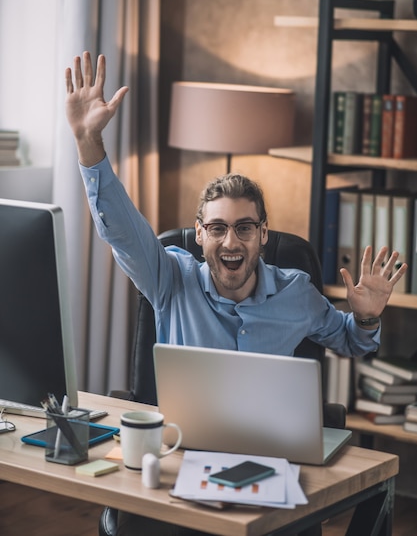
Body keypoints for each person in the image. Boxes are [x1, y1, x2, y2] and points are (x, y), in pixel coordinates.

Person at [65, 52, 406, 536]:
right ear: (199, 234)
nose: (231, 242)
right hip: (181, 462)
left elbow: (350, 341)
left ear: (264, 235)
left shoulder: (297, 291)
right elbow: (120, 228)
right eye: (218, 229)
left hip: (273, 469)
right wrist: (88, 141)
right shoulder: (169, 277)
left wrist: (367, 318)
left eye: (245, 228)